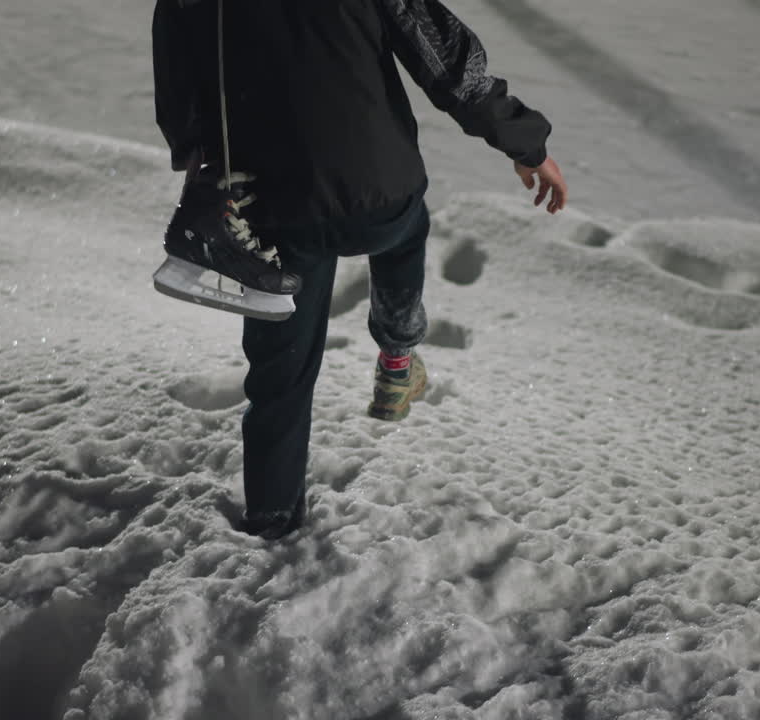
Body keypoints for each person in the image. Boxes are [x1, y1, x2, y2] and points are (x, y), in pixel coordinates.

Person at [152, 0, 568, 540]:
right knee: (406, 232)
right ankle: (397, 358)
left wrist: (203, 162)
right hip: (379, 192)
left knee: (283, 373)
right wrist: (525, 143)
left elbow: (178, 98)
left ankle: (271, 517)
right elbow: (445, 59)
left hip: (274, 210)